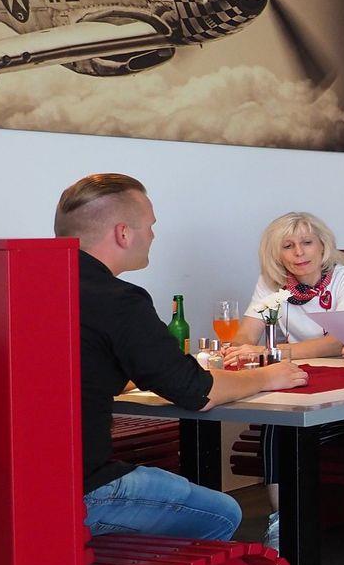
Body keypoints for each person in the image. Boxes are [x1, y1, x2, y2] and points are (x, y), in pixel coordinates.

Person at [57, 173, 306, 541]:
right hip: (83, 492)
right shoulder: (118, 300)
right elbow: (196, 391)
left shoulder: (30, 283)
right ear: (123, 233)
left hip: (14, 485)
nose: (153, 235)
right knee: (224, 512)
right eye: (150, 225)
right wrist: (268, 377)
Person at [221, 212, 344, 548]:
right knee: (278, 422)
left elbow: (337, 342)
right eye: (288, 246)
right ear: (276, 253)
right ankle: (283, 522)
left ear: (322, 245)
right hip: (300, 383)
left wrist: (272, 352)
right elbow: (247, 332)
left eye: (306, 243)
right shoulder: (271, 284)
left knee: (283, 424)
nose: (299, 252)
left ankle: (288, 523)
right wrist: (238, 347)